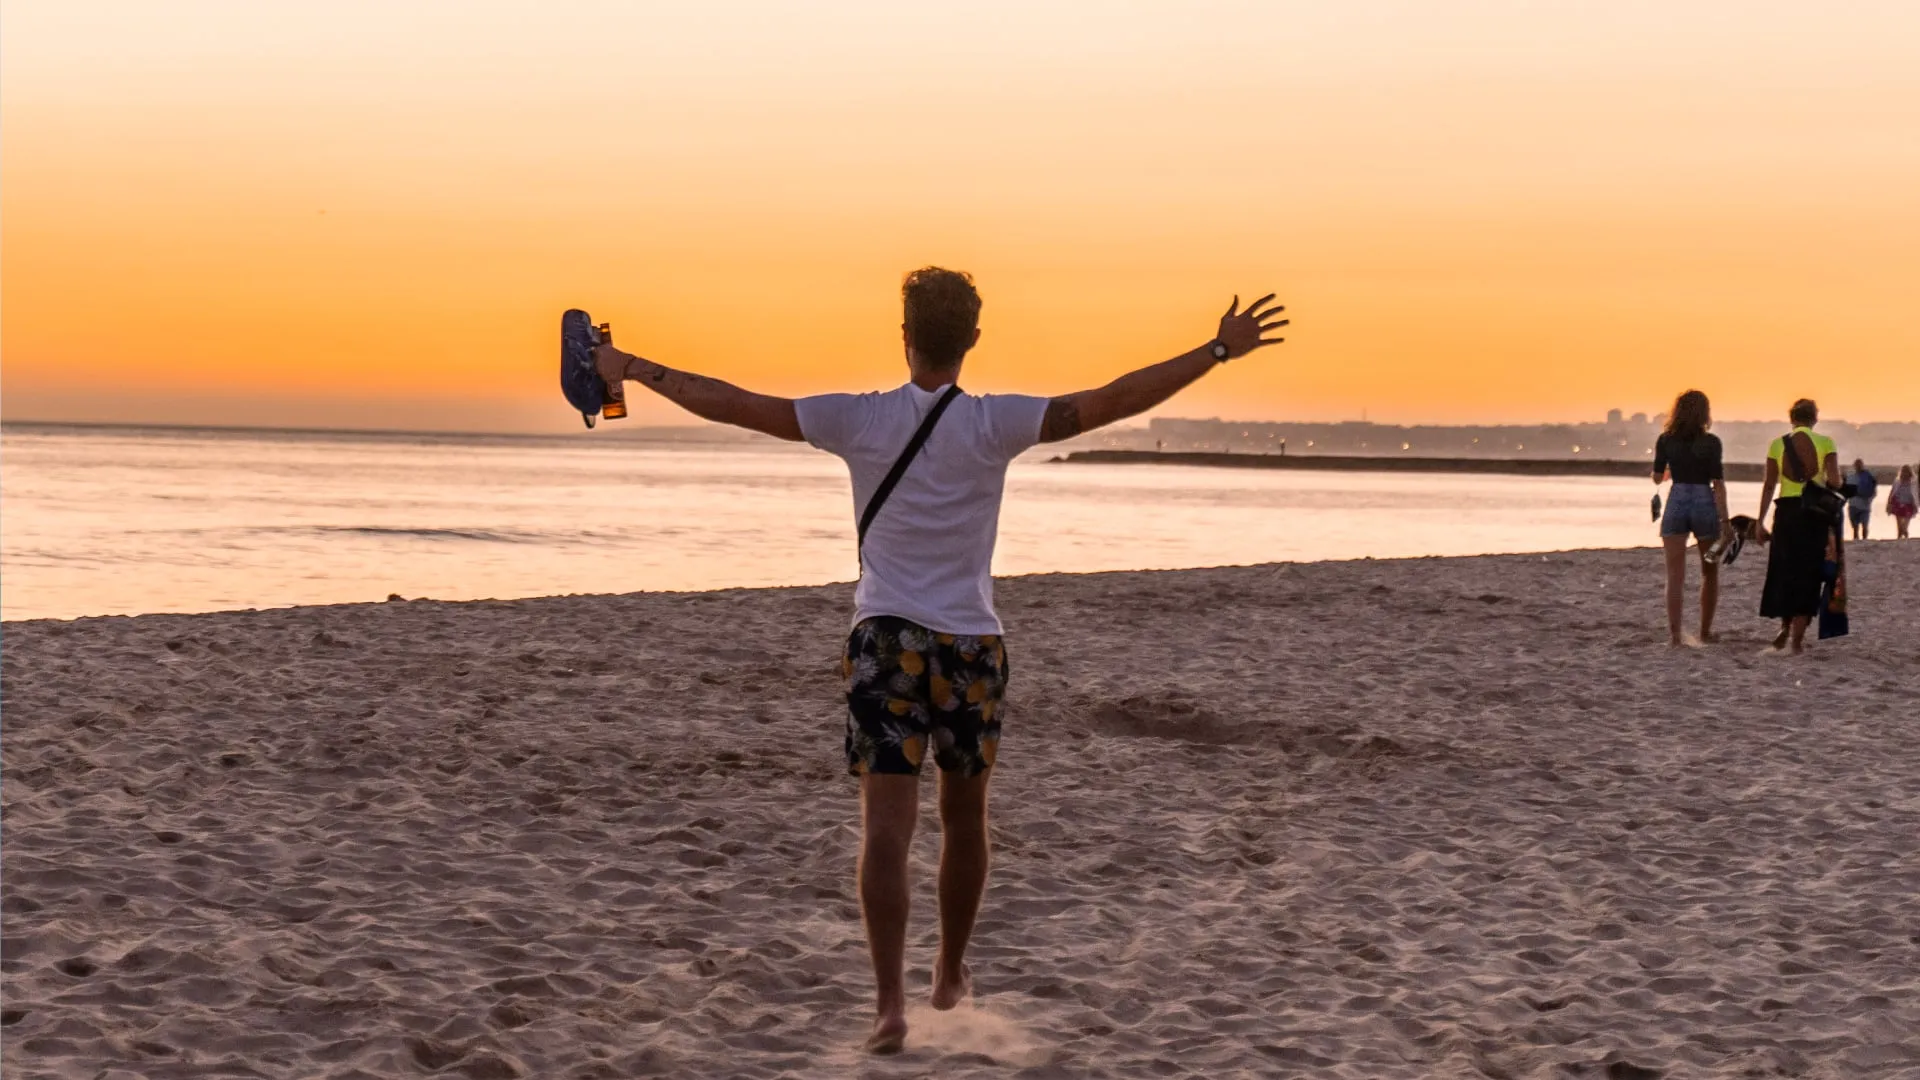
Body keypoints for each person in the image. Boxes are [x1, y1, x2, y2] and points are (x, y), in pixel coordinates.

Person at [590, 268, 1287, 1053]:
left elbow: (737, 403)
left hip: (887, 641)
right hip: (971, 646)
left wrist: (635, 370)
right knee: (965, 818)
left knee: (886, 829)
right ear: (973, 342)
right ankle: (949, 975)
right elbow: (1113, 399)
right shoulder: (995, 425)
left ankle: (889, 1004)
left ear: (905, 336)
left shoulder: (859, 420)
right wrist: (1217, 350)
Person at [1754, 398, 1841, 653]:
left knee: (1785, 570)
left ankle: (1784, 625)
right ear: (1814, 419)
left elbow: (1770, 485)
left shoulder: (1777, 445)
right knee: (1809, 574)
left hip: (1786, 513)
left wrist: (1759, 521)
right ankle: (1797, 641)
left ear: (1792, 419)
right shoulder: (1826, 443)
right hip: (1813, 515)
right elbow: (1834, 481)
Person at [1650, 390, 1733, 646]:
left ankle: (1675, 635)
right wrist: (1726, 521)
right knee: (1710, 570)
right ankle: (1705, 632)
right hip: (1703, 502)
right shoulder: (1712, 442)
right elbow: (1718, 483)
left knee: (1675, 574)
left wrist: (1670, 469)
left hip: (1677, 499)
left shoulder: (1666, 440)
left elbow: (1657, 477)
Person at [1847, 458, 1878, 540]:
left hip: (1864, 506)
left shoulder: (1868, 477)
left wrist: (1869, 500)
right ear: (1854, 466)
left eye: (1860, 465)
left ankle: (1864, 540)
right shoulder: (1850, 477)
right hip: (1853, 505)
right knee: (1855, 527)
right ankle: (1856, 540)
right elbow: (1846, 491)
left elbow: (1874, 492)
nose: (1858, 467)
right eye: (1857, 465)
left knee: (1864, 526)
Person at [1887, 464, 1918, 539]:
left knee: (1904, 526)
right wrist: (1889, 503)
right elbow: (1892, 492)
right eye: (1903, 471)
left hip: (1909, 505)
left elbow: (1916, 495)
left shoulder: (1913, 483)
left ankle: (1906, 537)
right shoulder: (1897, 482)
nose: (1905, 473)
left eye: (1906, 472)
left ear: (1910, 473)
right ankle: (1899, 538)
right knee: (1899, 526)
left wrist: (1916, 505)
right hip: (1898, 504)